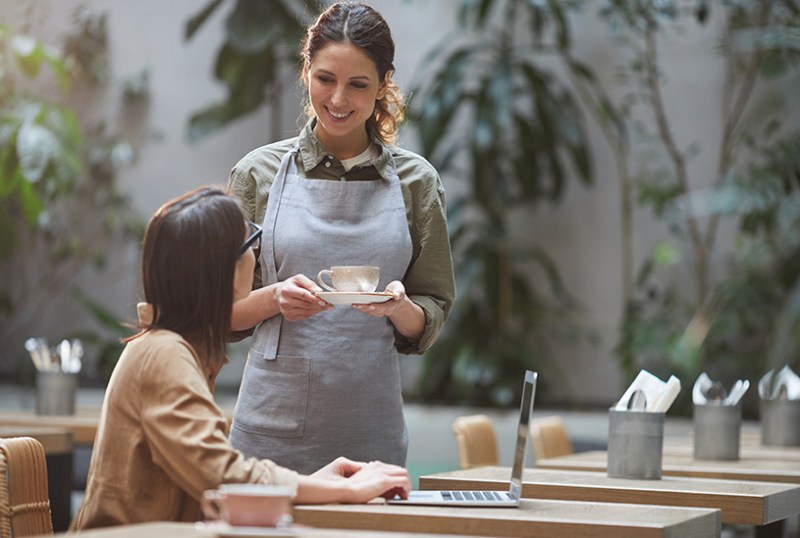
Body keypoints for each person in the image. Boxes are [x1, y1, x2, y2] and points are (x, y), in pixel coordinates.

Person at [72, 187, 410, 530]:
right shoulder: (163, 355)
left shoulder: (169, 347)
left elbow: (207, 481)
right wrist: (348, 490)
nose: (256, 256)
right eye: (251, 246)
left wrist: (325, 484)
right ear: (229, 273)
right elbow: (221, 474)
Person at [227, 2, 456, 474]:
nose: (338, 99)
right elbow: (219, 315)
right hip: (271, 429)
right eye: (326, 78)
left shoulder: (417, 182)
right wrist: (274, 298)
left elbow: (428, 316)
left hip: (371, 428)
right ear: (306, 69)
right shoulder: (257, 175)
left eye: (359, 84)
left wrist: (399, 308)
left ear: (383, 85)